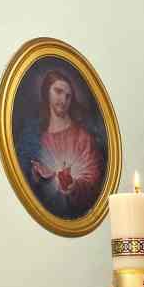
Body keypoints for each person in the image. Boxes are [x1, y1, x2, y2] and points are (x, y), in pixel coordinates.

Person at [17, 69, 104, 218]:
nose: (63, 100)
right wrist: (36, 176)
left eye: (68, 96)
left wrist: (74, 186)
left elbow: (94, 182)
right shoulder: (37, 139)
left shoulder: (82, 137)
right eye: (58, 92)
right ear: (47, 93)